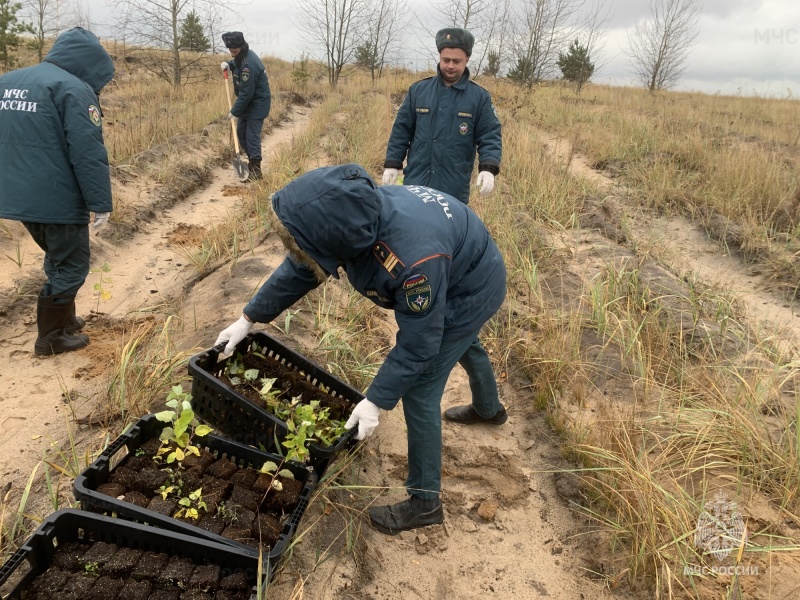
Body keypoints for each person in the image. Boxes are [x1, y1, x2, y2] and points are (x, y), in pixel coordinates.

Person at [215, 164, 508, 535]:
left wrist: (377, 400)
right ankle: (489, 410)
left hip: (473, 287)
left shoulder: (413, 262)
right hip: (461, 263)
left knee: (420, 388)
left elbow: (419, 344)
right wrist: (248, 318)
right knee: (464, 341)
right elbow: (304, 267)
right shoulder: (353, 218)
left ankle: (424, 503)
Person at [0, 27, 114, 356]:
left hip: (14, 194)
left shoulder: (9, 81)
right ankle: (51, 339)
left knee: (58, 257)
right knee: (74, 266)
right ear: (91, 62)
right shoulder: (73, 89)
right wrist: (100, 203)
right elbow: (87, 152)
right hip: (55, 198)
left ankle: (65, 320)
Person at [382, 27, 502, 204]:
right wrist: (392, 163)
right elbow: (401, 130)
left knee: (449, 231)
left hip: (453, 187)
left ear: (467, 59)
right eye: (446, 60)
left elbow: (490, 135)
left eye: (457, 61)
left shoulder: (479, 97)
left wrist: (488, 167)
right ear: (439, 57)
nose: (450, 66)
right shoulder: (419, 91)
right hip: (417, 181)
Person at [220, 31, 271, 182]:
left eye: (234, 51)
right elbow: (236, 62)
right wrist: (228, 64)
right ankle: (251, 163)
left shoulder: (249, 65)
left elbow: (247, 93)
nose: (232, 52)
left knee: (251, 137)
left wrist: (235, 111)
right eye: (230, 50)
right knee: (241, 134)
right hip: (247, 104)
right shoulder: (241, 56)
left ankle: (256, 171)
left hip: (257, 104)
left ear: (242, 46)